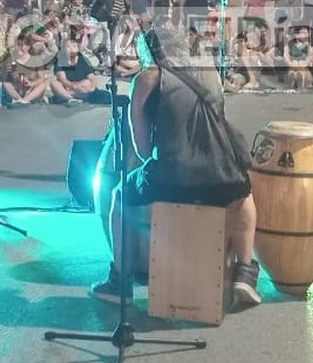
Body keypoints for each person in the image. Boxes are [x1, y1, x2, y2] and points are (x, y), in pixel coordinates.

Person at [99, 20, 261, 308]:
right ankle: (245, 274)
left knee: (118, 197)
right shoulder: (208, 71)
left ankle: (119, 280)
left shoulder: (148, 78)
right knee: (245, 198)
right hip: (223, 178)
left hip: (172, 180)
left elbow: (143, 147)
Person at [51, 33, 111, 104]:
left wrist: (92, 87)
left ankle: (64, 96)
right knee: (54, 84)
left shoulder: (82, 59)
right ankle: (71, 98)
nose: (74, 46)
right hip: (68, 86)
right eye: (70, 46)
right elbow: (63, 79)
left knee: (87, 82)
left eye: (75, 45)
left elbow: (92, 77)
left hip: (82, 86)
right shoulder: (61, 60)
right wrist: (72, 86)